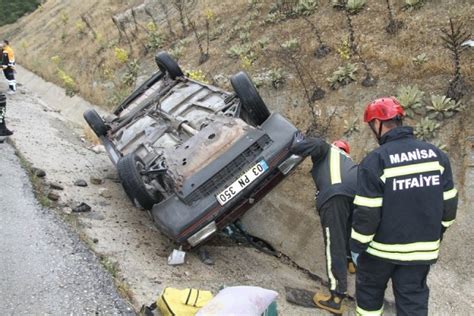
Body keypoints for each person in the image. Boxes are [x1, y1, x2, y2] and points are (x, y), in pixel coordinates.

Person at [350, 97, 458, 316]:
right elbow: (449, 207)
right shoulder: (437, 156)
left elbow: (367, 214)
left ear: (378, 124)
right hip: (421, 252)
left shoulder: (376, 160)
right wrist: (435, 234)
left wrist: (357, 246)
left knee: (369, 298)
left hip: (379, 252)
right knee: (413, 304)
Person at [290, 132, 357, 314]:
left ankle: (336, 297)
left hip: (334, 195)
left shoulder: (328, 149)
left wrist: (295, 144)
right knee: (350, 230)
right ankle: (352, 262)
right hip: (358, 195)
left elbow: (318, 144)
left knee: (333, 242)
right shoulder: (349, 164)